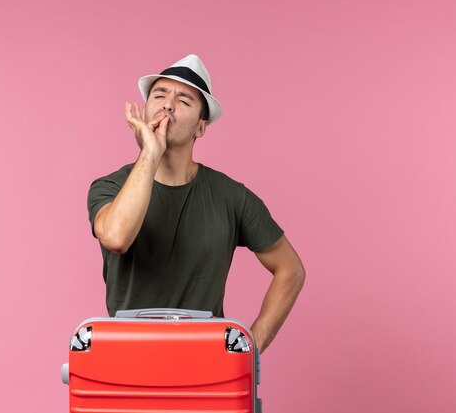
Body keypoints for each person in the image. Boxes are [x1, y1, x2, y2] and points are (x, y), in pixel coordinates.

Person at [87, 54, 305, 352]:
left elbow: (290, 269)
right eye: (159, 94)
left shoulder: (232, 197)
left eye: (184, 101)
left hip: (206, 365)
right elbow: (116, 237)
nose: (167, 104)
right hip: (127, 358)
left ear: (200, 128)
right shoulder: (109, 187)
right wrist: (150, 153)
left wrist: (249, 348)